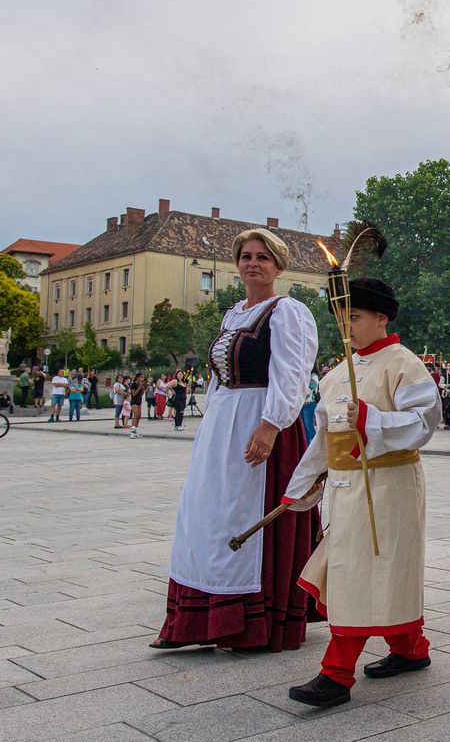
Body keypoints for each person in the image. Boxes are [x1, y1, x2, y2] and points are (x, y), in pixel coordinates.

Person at [155, 228, 319, 651]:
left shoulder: (287, 311)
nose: (253, 263)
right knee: (207, 515)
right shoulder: (231, 315)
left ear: (278, 266)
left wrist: (271, 425)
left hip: (261, 420)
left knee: (242, 516)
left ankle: (252, 621)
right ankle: (198, 617)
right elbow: (216, 380)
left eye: (263, 257)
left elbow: (292, 374)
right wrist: (212, 423)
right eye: (246, 256)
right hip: (223, 424)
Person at [285, 279, 442, 707]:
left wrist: (371, 418)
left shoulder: (405, 365)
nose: (346, 325)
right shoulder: (337, 375)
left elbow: (424, 423)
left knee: (360, 575)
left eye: (353, 317)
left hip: (389, 488)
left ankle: (336, 675)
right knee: (378, 572)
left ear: (380, 318)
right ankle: (410, 648)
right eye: (343, 317)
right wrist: (298, 488)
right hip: (346, 488)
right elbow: (323, 440)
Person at [128, 373, 144, 437]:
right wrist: (139, 388)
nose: (142, 379)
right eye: (141, 377)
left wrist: (143, 388)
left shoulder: (140, 384)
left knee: (139, 416)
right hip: (134, 401)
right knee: (136, 415)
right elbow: (133, 394)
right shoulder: (133, 384)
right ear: (137, 378)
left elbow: (141, 393)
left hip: (139, 401)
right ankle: (132, 432)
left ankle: (135, 431)